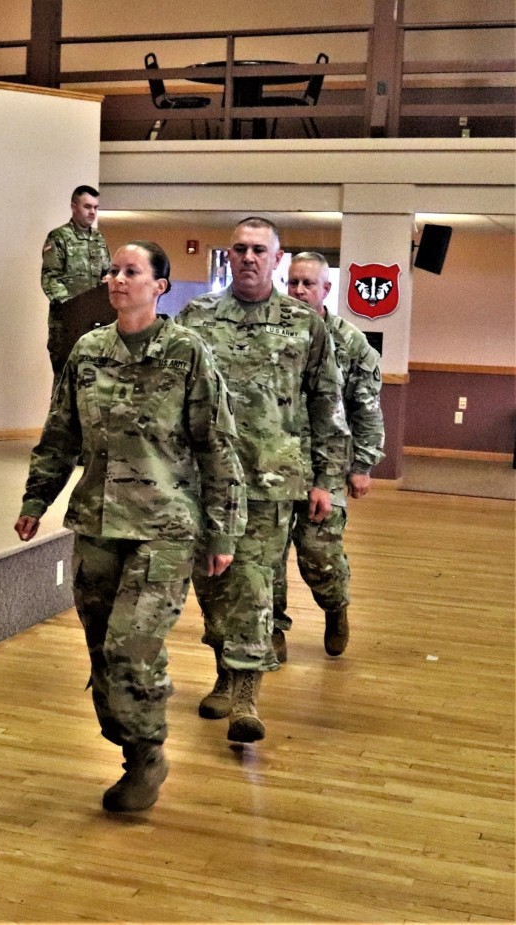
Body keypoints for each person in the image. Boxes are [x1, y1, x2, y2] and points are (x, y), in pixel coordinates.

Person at [16, 241, 247, 813]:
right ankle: (128, 747)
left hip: (166, 529)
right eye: (113, 270)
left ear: (159, 286)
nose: (118, 279)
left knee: (131, 646)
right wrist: (35, 499)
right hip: (97, 524)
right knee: (101, 649)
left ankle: (146, 754)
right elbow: (60, 431)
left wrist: (223, 532)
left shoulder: (188, 353)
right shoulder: (88, 351)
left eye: (132, 271)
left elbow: (218, 447)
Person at [176, 218, 350, 743]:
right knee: (210, 583)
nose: (249, 257)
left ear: (277, 260)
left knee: (252, 584)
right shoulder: (196, 317)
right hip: (205, 480)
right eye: (240, 249)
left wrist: (328, 479)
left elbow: (327, 404)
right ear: (228, 257)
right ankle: (225, 673)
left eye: (260, 250)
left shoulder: (303, 323)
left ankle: (246, 696)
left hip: (271, 480)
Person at [273, 251, 385, 660]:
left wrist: (363, 465)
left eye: (307, 284)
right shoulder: (273, 333)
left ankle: (335, 607)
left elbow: (366, 407)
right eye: (292, 283)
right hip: (273, 463)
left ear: (326, 288)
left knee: (319, 553)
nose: (298, 291)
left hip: (327, 463)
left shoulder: (350, 342)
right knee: (266, 556)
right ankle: (273, 628)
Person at [41, 185, 111, 387]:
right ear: (74, 207)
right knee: (65, 381)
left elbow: (107, 273)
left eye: (96, 207)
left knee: (93, 382)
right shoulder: (59, 237)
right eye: (87, 206)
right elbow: (50, 278)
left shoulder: (99, 240)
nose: (92, 212)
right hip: (66, 325)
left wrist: (109, 282)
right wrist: (74, 307)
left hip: (95, 325)